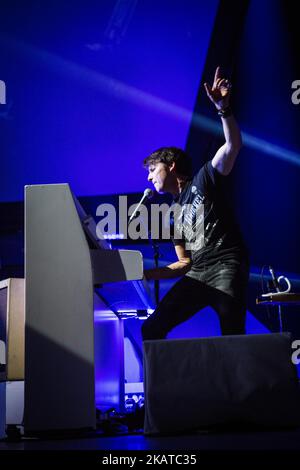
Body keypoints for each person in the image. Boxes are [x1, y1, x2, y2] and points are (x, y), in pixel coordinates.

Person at [142, 66, 249, 340]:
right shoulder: (174, 214)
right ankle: (164, 384)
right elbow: (184, 263)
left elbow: (232, 146)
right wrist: (146, 273)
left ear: (171, 165)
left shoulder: (203, 178)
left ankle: (240, 384)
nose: (150, 176)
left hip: (226, 265)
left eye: (153, 169)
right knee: (151, 328)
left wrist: (223, 108)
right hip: (199, 273)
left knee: (232, 333)